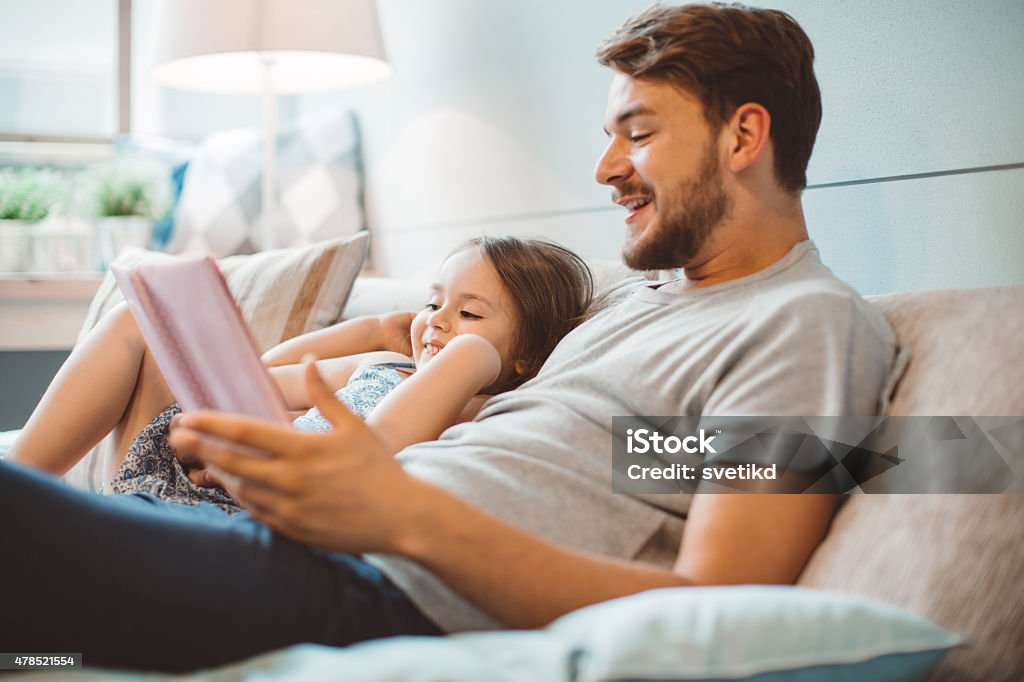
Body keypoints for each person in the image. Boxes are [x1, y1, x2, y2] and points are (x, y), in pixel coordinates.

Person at [0, 2, 898, 673]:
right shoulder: (636, 309)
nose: (606, 167)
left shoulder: (804, 323)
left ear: (745, 135)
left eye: (641, 133)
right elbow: (648, 461)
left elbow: (717, 602)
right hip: (305, 539)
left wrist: (400, 514)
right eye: (609, 135)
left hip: (373, 590)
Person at [8, 236, 594, 513]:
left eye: (468, 313)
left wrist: (472, 355)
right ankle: (19, 486)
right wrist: (369, 332)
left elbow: (373, 450)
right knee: (134, 320)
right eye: (434, 302)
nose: (438, 323)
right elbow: (259, 377)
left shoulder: (480, 405)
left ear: (524, 355)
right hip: (182, 473)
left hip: (249, 512)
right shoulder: (385, 363)